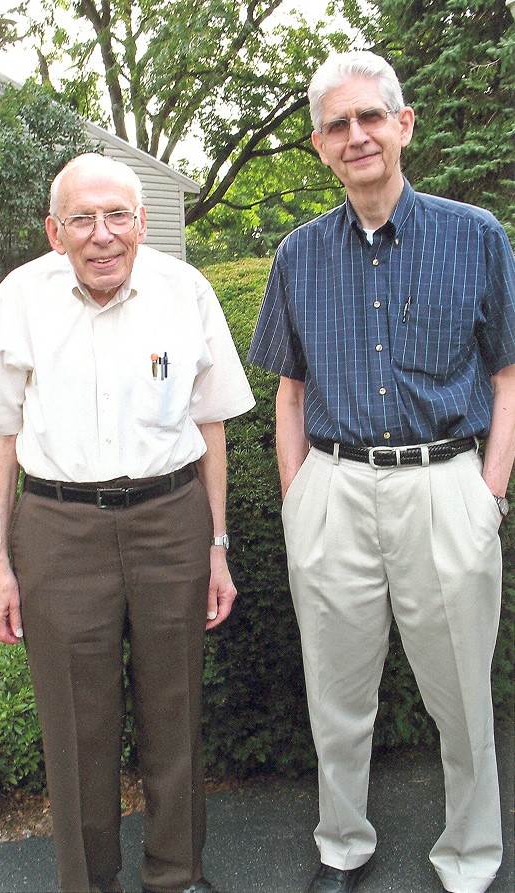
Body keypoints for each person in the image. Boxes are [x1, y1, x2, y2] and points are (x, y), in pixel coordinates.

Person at [0, 152, 255, 893]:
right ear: (56, 231)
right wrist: (1, 564)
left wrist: (217, 546)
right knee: (76, 730)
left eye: (118, 215)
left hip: (171, 521)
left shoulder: (185, 292)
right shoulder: (20, 297)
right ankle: (89, 884)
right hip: (59, 528)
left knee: (174, 712)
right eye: (82, 219)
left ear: (143, 223)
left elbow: (211, 425)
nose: (103, 235)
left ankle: (176, 874)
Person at [248, 50, 514, 893]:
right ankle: (343, 845)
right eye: (337, 125)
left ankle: (470, 858)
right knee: (336, 692)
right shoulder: (296, 256)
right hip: (332, 490)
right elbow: (289, 392)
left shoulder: (476, 236)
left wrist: (488, 496)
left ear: (403, 125)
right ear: (320, 146)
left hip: (445, 487)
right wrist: (299, 499)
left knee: (462, 698)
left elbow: (508, 376)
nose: (356, 135)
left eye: (371, 117)